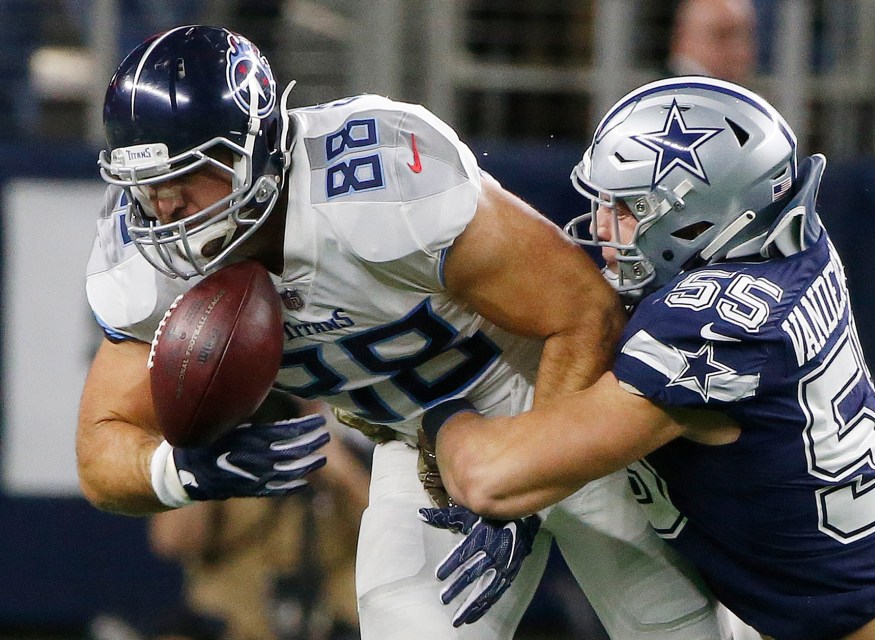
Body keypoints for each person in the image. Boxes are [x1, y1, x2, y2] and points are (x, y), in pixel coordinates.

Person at [76, 26, 731, 640]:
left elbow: (583, 310)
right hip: (428, 442)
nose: (166, 209)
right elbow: (101, 455)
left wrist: (523, 480)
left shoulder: (376, 183)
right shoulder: (143, 258)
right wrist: (180, 472)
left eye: (187, 174)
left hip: (563, 399)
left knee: (677, 626)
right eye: (146, 185)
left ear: (257, 148)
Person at [419, 77, 875, 640]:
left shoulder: (705, 330)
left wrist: (435, 413)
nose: (601, 227)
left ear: (703, 213)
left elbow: (491, 478)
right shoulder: (793, 242)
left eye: (627, 208)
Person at [148, 400, 369, 640]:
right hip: (228, 625)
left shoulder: (351, 448)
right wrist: (200, 449)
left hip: (327, 624)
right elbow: (172, 542)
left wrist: (342, 471)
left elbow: (395, 540)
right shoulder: (218, 448)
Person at [667, 0, 758, 83]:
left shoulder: (758, 97)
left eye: (745, 37)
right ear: (683, 37)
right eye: (722, 35)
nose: (738, 51)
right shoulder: (658, 96)